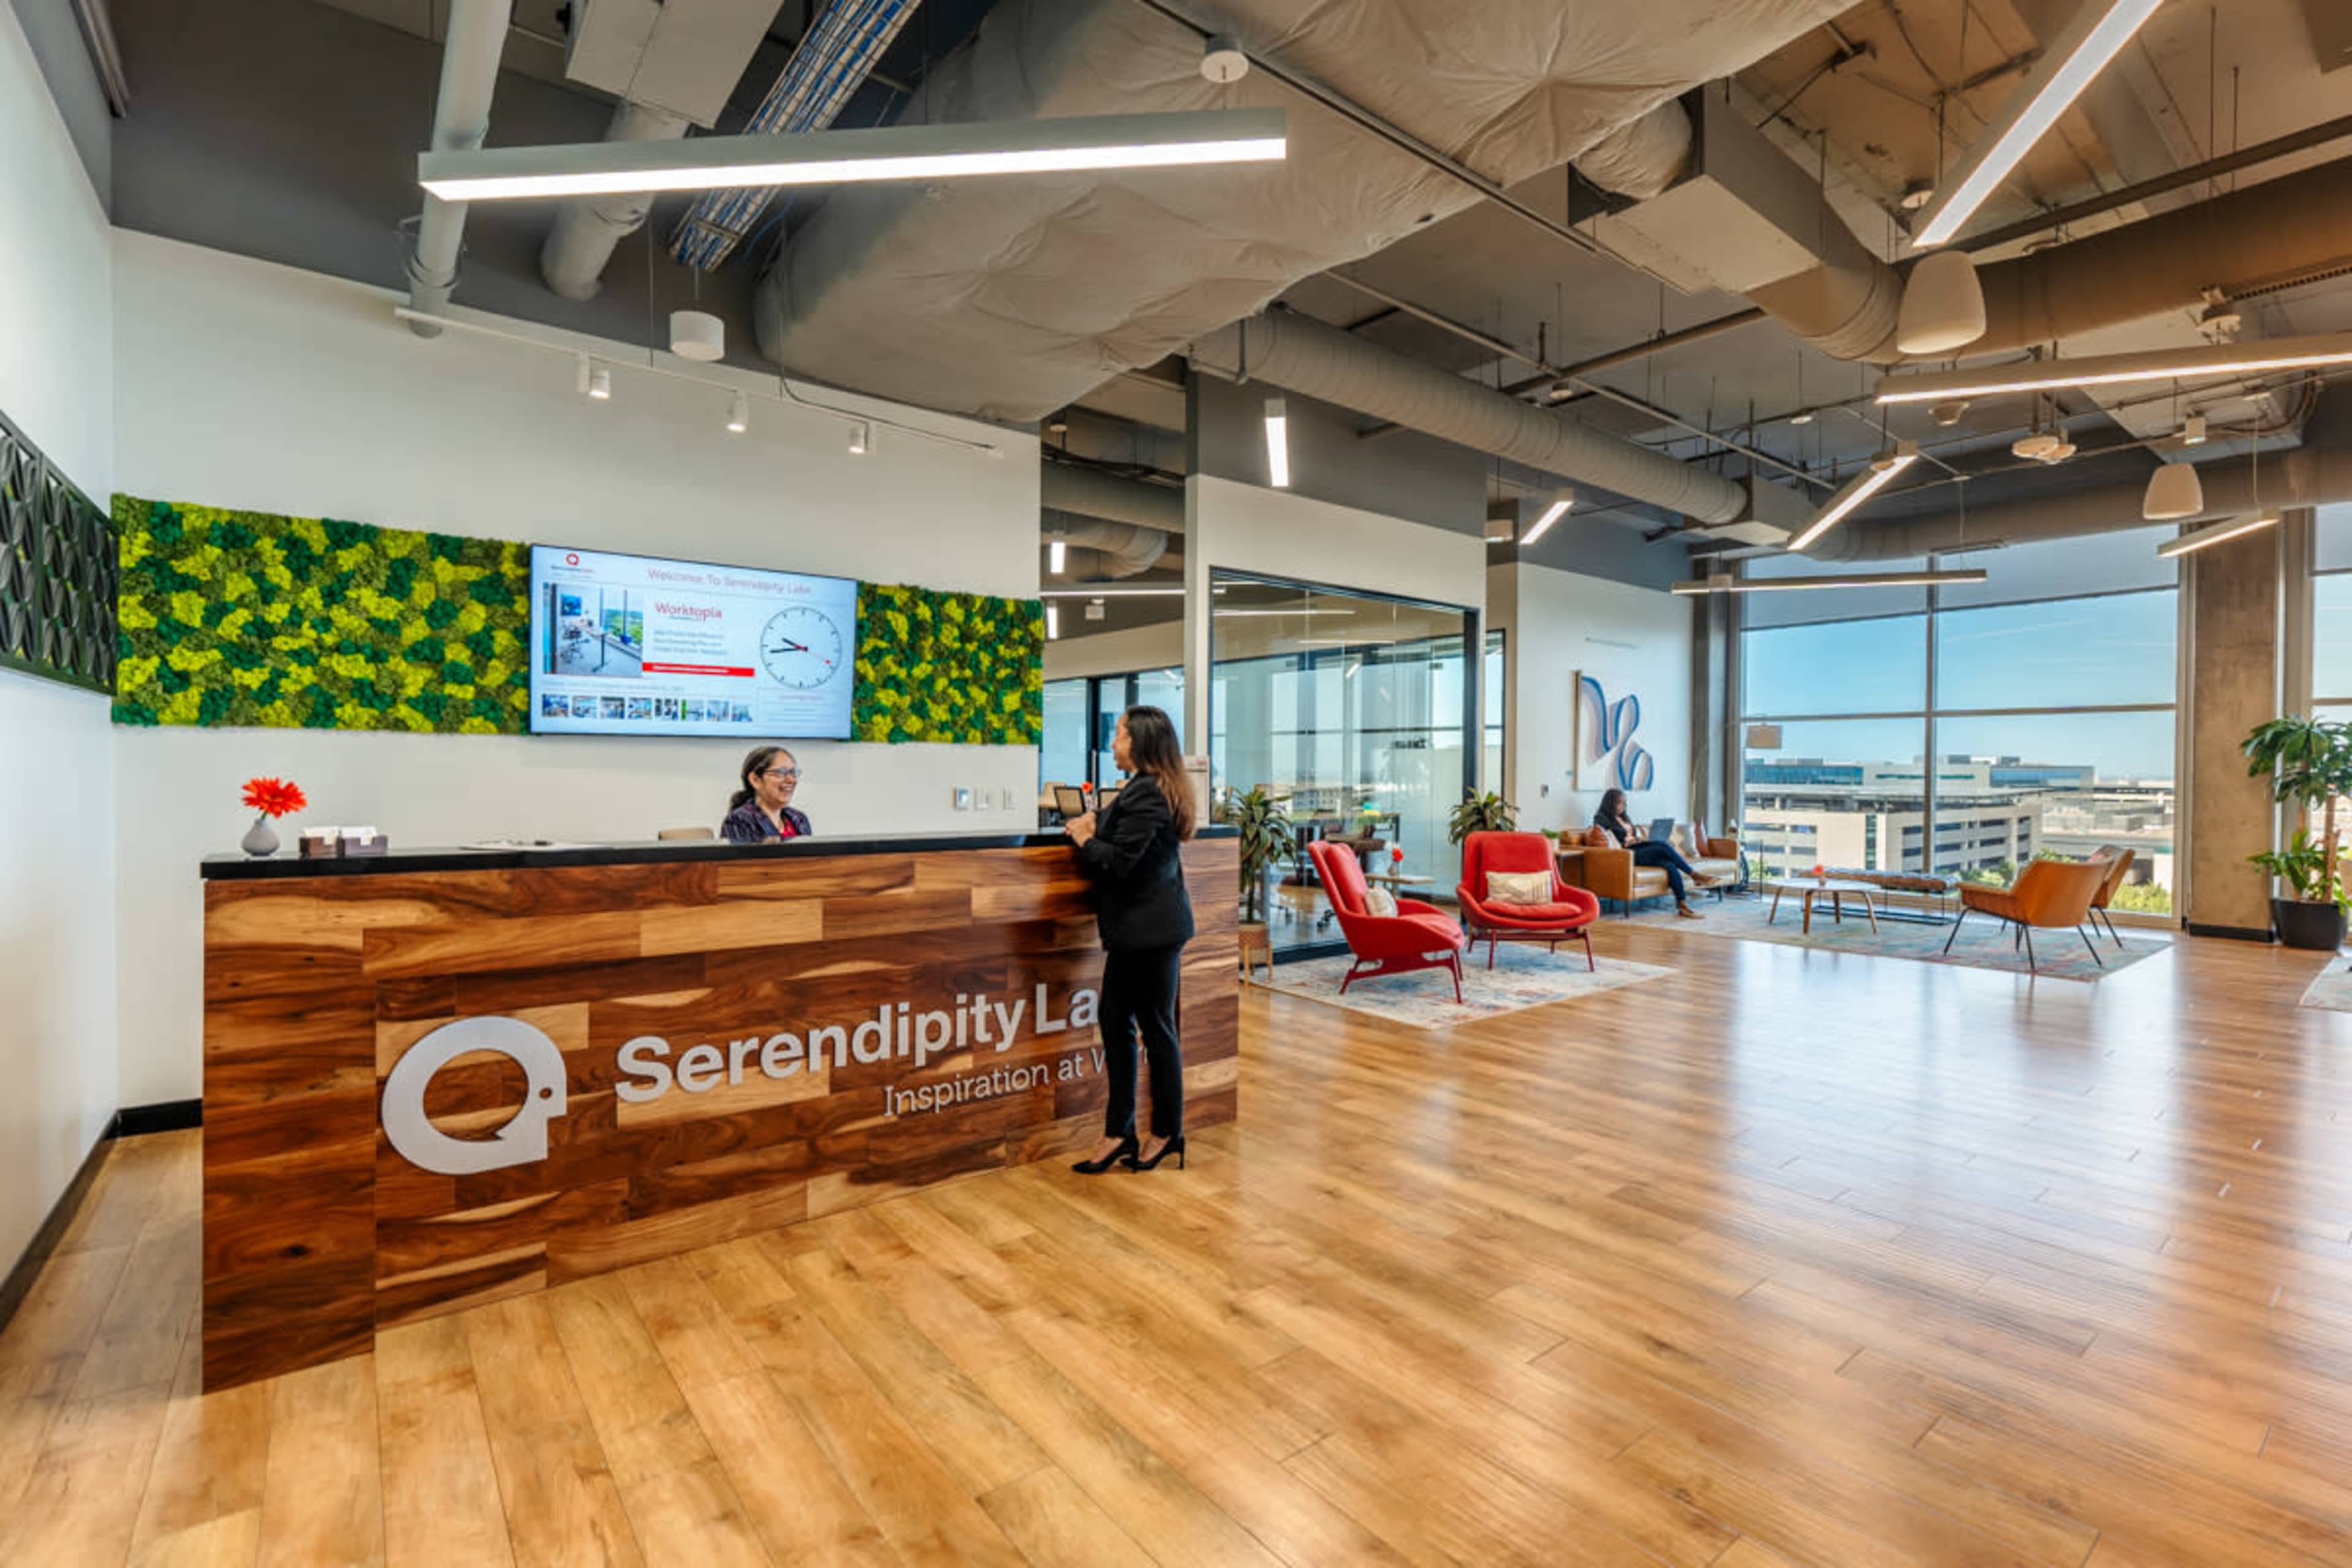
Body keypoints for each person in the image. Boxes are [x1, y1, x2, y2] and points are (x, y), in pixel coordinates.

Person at [1065, 705, 1196, 1175]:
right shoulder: (1145, 788)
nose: (1113, 743)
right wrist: (1095, 824)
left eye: (1119, 735)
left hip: (1151, 932)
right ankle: (1120, 1131)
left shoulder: (1148, 794)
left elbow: (1120, 863)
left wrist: (1083, 838)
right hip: (1138, 932)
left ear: (1139, 742)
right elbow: (1128, 843)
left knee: (1156, 1030)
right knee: (1116, 1021)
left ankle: (1166, 1131)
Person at [1594, 786, 1711, 919]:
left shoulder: (1624, 818)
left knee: (1670, 865)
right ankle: (1693, 874)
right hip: (1627, 855)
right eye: (1620, 802)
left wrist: (1637, 838)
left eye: (1624, 803)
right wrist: (1623, 843)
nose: (1623, 806)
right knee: (1662, 846)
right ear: (1610, 803)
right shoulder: (1601, 818)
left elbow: (1632, 834)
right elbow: (1607, 836)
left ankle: (1683, 905)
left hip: (1638, 847)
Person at [720, 745, 813, 842]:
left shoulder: (799, 819)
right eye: (781, 773)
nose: (791, 780)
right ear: (755, 780)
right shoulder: (739, 821)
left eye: (793, 772)